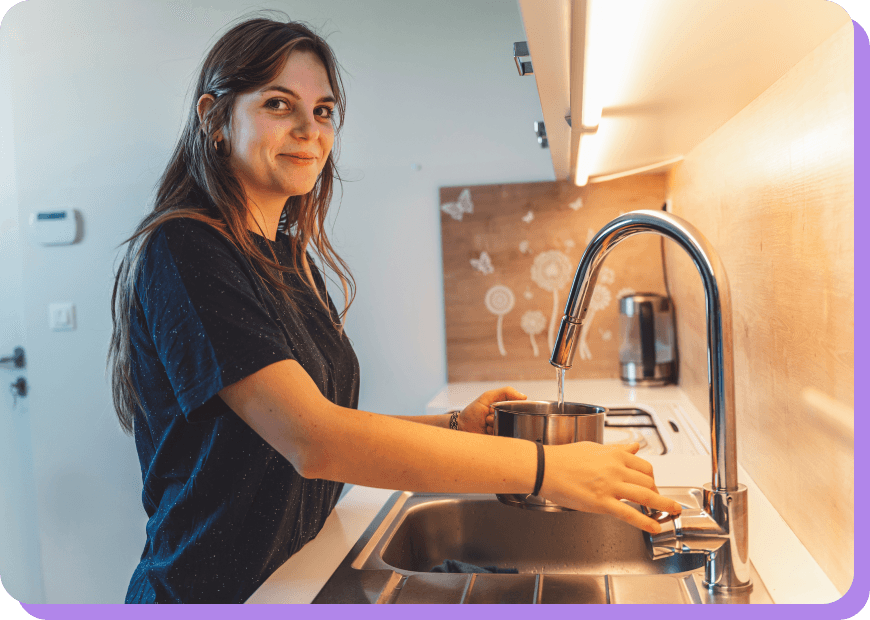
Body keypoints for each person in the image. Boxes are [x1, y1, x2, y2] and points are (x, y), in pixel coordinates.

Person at [107, 13, 682, 605]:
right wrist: (545, 469)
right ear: (214, 119)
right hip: (207, 593)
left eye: (324, 111)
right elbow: (315, 441)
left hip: (290, 576)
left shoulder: (284, 257)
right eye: (280, 105)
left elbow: (324, 425)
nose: (310, 129)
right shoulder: (185, 249)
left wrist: (457, 427)